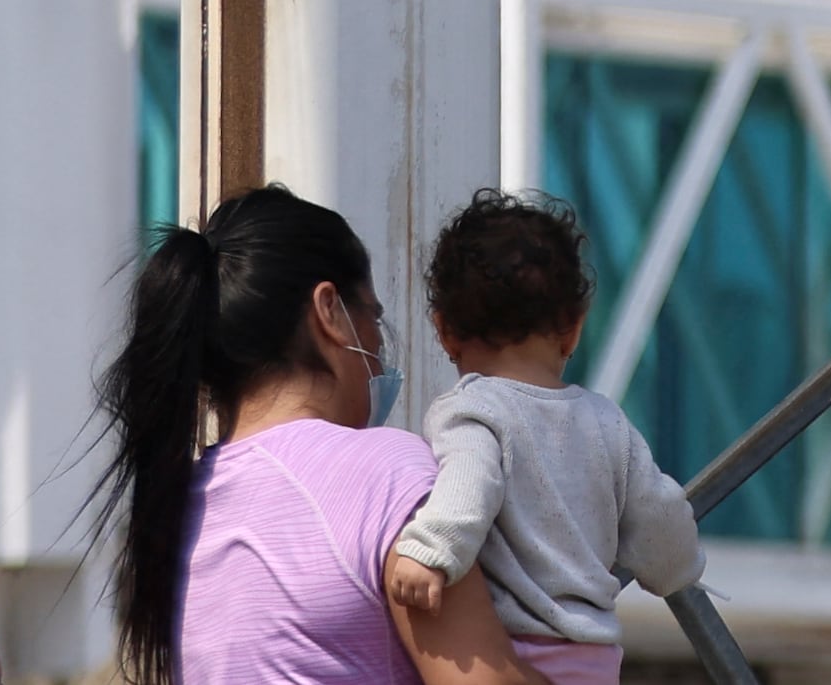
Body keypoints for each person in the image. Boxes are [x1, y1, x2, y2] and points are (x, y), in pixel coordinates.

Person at [96, 185, 521, 685]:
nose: (381, 347)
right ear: (329, 311)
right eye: (374, 317)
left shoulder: (173, 510)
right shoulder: (383, 471)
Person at [380, 196, 698, 685]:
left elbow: (470, 482)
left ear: (444, 331)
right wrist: (682, 568)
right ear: (572, 329)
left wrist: (430, 551)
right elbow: (661, 520)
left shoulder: (472, 409)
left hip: (515, 655)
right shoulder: (609, 423)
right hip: (594, 662)